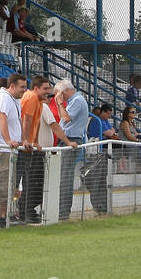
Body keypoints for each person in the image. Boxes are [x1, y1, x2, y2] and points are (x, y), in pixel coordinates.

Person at [0, 74, 27, 228]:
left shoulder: (12, 100)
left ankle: (1, 216)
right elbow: (1, 116)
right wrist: (8, 140)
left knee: (5, 185)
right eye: (22, 87)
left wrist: (21, 140)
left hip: (6, 149)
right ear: (12, 86)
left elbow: (15, 122)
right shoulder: (3, 98)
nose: (24, 90)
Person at [18, 76, 62, 224]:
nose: (48, 96)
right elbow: (27, 120)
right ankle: (26, 211)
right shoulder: (35, 101)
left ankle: (27, 211)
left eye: (50, 93)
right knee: (33, 182)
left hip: (34, 148)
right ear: (36, 89)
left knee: (33, 182)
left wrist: (33, 141)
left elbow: (33, 124)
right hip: (31, 150)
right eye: (46, 91)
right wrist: (27, 141)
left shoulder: (38, 103)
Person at [55, 80, 90, 219]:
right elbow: (62, 118)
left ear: (65, 91)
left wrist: (59, 103)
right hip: (66, 138)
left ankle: (63, 211)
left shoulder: (77, 100)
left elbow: (66, 118)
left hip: (72, 139)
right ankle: (61, 209)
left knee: (65, 176)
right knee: (64, 175)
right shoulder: (73, 101)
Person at [82, 103, 118, 214]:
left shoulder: (104, 121)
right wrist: (111, 133)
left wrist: (111, 133)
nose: (109, 116)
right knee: (97, 181)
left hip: (102, 154)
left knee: (102, 181)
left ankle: (103, 207)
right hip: (96, 154)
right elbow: (110, 132)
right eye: (108, 113)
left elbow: (112, 132)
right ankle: (98, 206)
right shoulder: (97, 121)